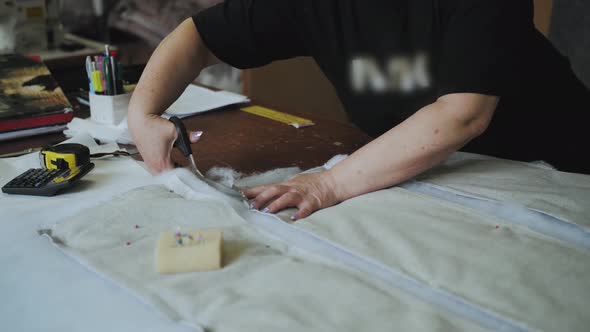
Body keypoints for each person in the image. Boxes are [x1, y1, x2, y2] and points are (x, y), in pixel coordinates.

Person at [128, 0, 590, 221]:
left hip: (554, 175)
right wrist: (142, 114)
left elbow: (462, 115)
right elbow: (197, 37)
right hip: (434, 176)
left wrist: (328, 182)